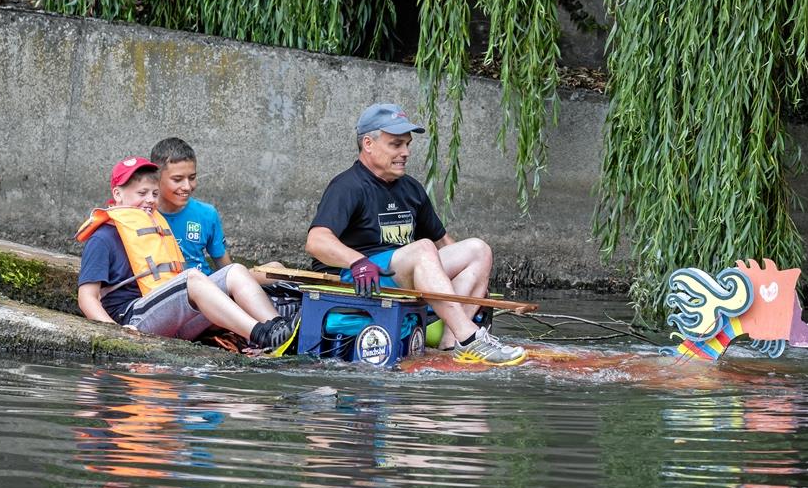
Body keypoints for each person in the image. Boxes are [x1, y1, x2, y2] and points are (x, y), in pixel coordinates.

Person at [305, 103, 526, 365]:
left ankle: (452, 343)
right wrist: (358, 261)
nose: (406, 153)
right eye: (396, 145)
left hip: (404, 274)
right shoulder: (347, 186)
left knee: (478, 249)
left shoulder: (411, 188)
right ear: (368, 143)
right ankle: (471, 338)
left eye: (407, 145)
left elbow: (444, 242)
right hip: (362, 279)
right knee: (422, 249)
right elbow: (316, 241)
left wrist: (479, 283)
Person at [76, 157, 295, 350]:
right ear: (118, 194)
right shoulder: (103, 238)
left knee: (234, 271)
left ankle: (279, 328)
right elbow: (87, 298)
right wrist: (116, 334)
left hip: (173, 319)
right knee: (192, 278)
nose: (150, 200)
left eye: (154, 193)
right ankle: (260, 334)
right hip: (134, 320)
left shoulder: (156, 228)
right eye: (141, 193)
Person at [149, 136, 283, 287]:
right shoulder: (142, 215)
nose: (187, 186)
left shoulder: (206, 213)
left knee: (276, 269)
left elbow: (226, 268)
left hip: (207, 286)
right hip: (166, 290)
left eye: (192, 178)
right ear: (156, 177)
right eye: (177, 179)